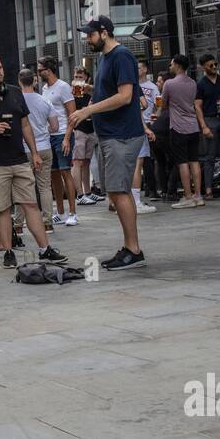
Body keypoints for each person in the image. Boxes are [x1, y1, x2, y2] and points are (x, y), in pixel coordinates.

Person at [0, 54, 67, 270]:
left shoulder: (15, 92)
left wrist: (35, 153)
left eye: (0, 67)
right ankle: (8, 251)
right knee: (1, 208)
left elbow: (25, 125)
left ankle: (44, 248)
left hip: (19, 158)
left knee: (30, 203)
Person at [66, 17, 147, 270]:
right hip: (112, 134)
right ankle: (130, 246)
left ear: (104, 32)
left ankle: (133, 250)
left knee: (117, 191)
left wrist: (88, 112)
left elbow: (125, 97)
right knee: (117, 190)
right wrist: (91, 94)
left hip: (121, 134)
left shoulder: (121, 56)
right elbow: (112, 93)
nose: (86, 39)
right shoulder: (105, 59)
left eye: (89, 35)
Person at [38, 57, 79, 226]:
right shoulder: (44, 89)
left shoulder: (63, 87)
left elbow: (72, 113)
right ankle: (60, 212)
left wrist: (68, 138)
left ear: (49, 69)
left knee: (65, 171)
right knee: (54, 174)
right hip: (49, 136)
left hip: (62, 134)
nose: (39, 72)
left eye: (40, 69)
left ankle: (73, 212)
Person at [19, 68, 56, 230]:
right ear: (34, 81)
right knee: (45, 187)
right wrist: (42, 130)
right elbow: (55, 126)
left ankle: (18, 224)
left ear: (19, 81)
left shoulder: (16, 101)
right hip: (44, 147)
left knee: (21, 188)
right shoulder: (44, 100)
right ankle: (47, 222)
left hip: (23, 149)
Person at [164, 55, 203, 208]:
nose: (170, 66)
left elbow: (165, 103)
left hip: (178, 127)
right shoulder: (193, 83)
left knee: (182, 163)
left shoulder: (169, 83)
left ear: (178, 66)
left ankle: (187, 196)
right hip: (193, 126)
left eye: (172, 64)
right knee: (194, 161)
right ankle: (198, 195)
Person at [196, 54, 220, 198]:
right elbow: (198, 106)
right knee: (209, 157)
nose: (214, 67)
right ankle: (208, 189)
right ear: (203, 67)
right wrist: (203, 126)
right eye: (210, 65)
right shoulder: (201, 84)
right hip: (210, 119)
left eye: (215, 64)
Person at [69, 66, 99, 205]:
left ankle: (87, 192)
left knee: (86, 161)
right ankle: (80, 195)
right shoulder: (74, 91)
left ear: (86, 77)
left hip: (90, 128)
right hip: (78, 128)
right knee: (78, 162)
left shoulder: (90, 90)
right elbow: (75, 108)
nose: (78, 80)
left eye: (80, 77)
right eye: (76, 77)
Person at [137, 62, 162, 200]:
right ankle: (146, 187)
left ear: (145, 69)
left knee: (148, 158)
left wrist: (156, 116)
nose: (137, 70)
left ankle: (152, 188)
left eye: (139, 67)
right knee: (141, 158)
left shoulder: (152, 87)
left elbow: (159, 103)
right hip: (136, 124)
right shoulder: (133, 85)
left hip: (148, 123)